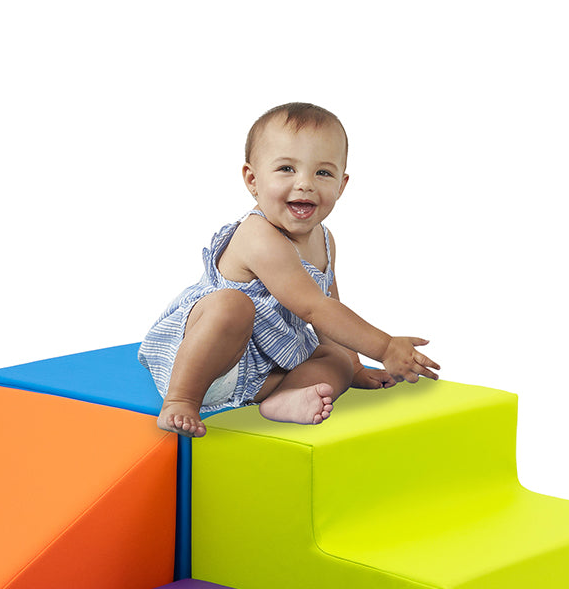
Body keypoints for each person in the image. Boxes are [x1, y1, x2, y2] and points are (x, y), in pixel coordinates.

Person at [138, 102, 439, 437]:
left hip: (262, 371)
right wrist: (383, 348)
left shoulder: (325, 240)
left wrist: (352, 366)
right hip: (205, 360)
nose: (305, 184)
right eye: (286, 169)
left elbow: (330, 310)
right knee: (232, 305)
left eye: (323, 173)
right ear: (253, 179)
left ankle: (284, 399)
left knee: (334, 360)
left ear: (341, 185)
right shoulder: (258, 235)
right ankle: (180, 400)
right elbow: (314, 307)